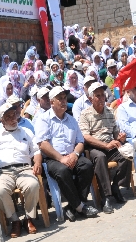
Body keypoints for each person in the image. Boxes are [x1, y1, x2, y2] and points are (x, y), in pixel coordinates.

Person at [34, 87, 99, 221]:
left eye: (65, 98)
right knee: (63, 171)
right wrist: (61, 158)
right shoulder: (44, 119)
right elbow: (43, 144)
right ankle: (80, 207)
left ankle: (72, 206)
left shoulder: (71, 119)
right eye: (60, 99)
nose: (64, 101)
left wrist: (75, 154)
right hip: (53, 159)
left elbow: (80, 141)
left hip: (72, 155)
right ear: (52, 102)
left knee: (86, 165)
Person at [0, 102, 43, 237]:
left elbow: (36, 151)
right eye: (8, 117)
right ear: (2, 120)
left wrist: (37, 163)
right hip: (4, 171)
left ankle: (28, 218)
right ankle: (14, 220)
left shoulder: (27, 132)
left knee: (33, 184)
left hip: (24, 168)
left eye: (14, 115)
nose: (13, 119)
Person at [78, 82, 131, 214]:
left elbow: (115, 133)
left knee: (128, 153)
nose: (102, 98)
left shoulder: (109, 112)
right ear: (91, 99)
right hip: (94, 147)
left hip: (110, 144)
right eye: (98, 95)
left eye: (103, 95)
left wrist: (120, 137)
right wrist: (105, 145)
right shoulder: (85, 114)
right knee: (100, 157)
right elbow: (86, 137)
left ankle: (116, 186)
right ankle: (106, 197)